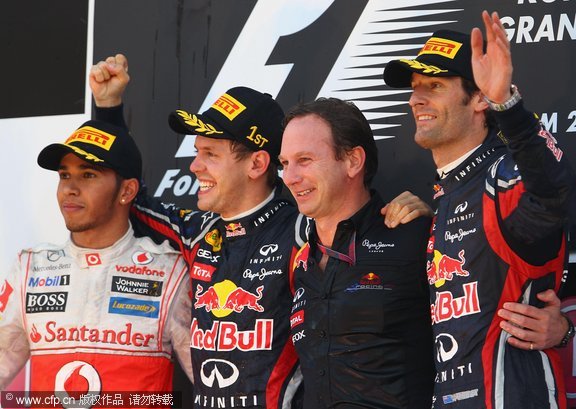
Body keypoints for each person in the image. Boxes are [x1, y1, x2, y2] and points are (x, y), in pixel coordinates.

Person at [90, 54, 432, 409]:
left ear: (256, 163)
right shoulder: (198, 232)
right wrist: (108, 109)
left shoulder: (301, 229)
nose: (194, 166)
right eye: (197, 152)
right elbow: (125, 198)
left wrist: (407, 211)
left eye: (209, 152)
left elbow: (350, 212)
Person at [383, 11, 576, 408]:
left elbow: (555, 195)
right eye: (415, 87)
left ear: (477, 99)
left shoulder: (504, 178)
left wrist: (507, 104)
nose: (416, 98)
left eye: (434, 86)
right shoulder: (445, 194)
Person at [0, 119, 192, 404]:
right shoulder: (31, 269)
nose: (70, 189)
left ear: (126, 191)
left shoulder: (167, 271)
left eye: (88, 175)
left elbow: (212, 378)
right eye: (64, 176)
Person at [279, 97, 435, 408]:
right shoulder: (299, 259)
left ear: (353, 161)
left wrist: (560, 331)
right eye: (284, 163)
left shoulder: (414, 236)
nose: (289, 177)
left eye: (305, 160)